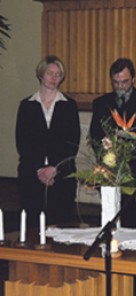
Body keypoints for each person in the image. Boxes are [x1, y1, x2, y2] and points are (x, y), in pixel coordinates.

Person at [90, 58, 136, 227]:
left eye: (124, 82)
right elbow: (95, 136)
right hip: (110, 173)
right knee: (110, 219)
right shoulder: (101, 104)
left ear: (133, 79)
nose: (120, 86)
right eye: (116, 82)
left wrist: (124, 149)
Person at [15, 55, 80, 227]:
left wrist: (54, 168)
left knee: (61, 226)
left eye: (58, 74)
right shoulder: (27, 105)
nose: (54, 78)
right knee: (32, 227)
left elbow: (72, 142)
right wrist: (40, 169)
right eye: (50, 73)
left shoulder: (69, 105)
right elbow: (22, 141)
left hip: (61, 176)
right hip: (32, 175)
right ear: (41, 74)